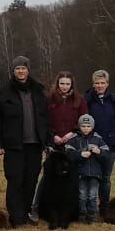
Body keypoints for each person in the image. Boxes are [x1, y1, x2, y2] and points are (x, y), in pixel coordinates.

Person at [0, 56, 51, 228]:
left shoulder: (38, 90)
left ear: (28, 70)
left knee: (31, 180)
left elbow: (45, 118)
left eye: (23, 68)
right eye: (17, 68)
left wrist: (48, 140)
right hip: (13, 145)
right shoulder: (3, 92)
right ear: (13, 71)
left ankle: (25, 213)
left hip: (35, 144)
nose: (20, 71)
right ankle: (15, 217)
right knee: (15, 180)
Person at [31, 71, 88, 220]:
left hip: (72, 142)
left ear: (72, 85)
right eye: (62, 83)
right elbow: (44, 119)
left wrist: (72, 133)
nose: (64, 87)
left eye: (67, 84)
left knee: (72, 176)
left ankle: (74, 211)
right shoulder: (48, 99)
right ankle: (35, 208)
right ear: (57, 84)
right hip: (53, 143)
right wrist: (53, 135)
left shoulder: (79, 100)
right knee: (47, 177)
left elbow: (84, 119)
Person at [83, 69, 115, 217]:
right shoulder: (87, 99)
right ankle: (88, 208)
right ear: (93, 84)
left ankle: (105, 207)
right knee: (91, 176)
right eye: (97, 83)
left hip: (110, 145)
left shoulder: (114, 100)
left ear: (107, 83)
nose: (100, 85)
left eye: (102, 83)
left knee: (105, 179)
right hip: (92, 144)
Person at [65, 114, 110, 223]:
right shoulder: (74, 139)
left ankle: (92, 215)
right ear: (79, 126)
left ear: (92, 127)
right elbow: (68, 154)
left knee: (92, 195)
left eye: (88, 126)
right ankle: (82, 214)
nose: (86, 128)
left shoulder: (98, 139)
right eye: (83, 126)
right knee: (82, 195)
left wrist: (99, 152)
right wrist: (80, 154)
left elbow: (107, 155)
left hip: (95, 173)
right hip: (80, 173)